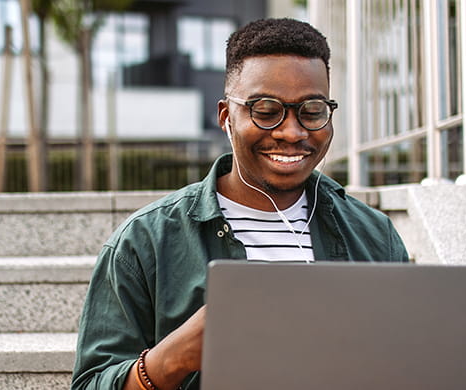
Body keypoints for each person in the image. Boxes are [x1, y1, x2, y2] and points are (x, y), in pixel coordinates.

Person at [71, 18, 409, 390]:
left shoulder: (375, 235)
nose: (292, 132)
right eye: (266, 111)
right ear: (225, 117)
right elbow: (91, 383)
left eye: (312, 111)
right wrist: (172, 359)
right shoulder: (145, 243)